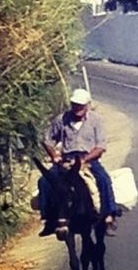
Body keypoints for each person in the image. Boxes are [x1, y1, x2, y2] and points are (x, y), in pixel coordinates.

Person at [38, 88, 120, 237]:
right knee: (44, 181)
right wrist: (54, 155)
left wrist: (85, 159)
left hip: (88, 159)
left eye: (80, 105)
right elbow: (46, 140)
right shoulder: (61, 120)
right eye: (75, 104)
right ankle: (47, 218)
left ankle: (109, 215)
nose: (77, 108)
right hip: (66, 159)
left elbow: (100, 146)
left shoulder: (96, 120)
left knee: (103, 179)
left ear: (87, 105)